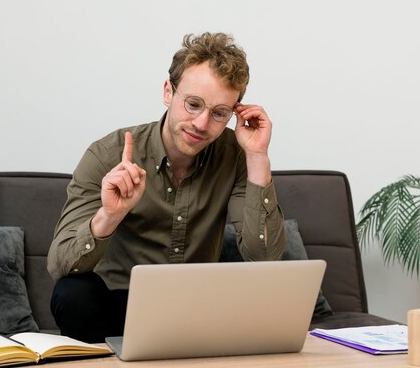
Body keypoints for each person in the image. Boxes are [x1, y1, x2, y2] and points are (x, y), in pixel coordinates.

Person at [47, 32, 286, 343]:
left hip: (197, 309)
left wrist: (257, 156)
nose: (201, 124)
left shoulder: (237, 155)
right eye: (193, 104)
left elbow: (263, 258)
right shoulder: (107, 154)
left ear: (234, 113)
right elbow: (58, 264)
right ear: (168, 92)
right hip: (117, 306)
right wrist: (108, 216)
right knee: (72, 293)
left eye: (218, 113)